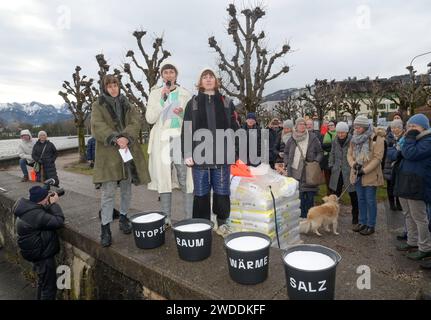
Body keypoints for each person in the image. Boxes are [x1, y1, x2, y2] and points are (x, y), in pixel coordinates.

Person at [91, 74, 150, 247]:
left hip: (127, 152)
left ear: (119, 86)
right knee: (108, 192)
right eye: (109, 85)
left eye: (115, 84)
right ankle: (105, 228)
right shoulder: (97, 105)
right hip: (108, 153)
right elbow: (97, 126)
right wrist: (116, 138)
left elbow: (136, 121)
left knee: (126, 189)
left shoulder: (128, 104)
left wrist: (125, 137)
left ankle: (124, 217)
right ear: (104, 88)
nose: (113, 88)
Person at [181, 68, 238, 237]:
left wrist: (235, 150)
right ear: (200, 81)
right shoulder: (193, 103)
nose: (208, 79)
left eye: (211, 76)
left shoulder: (227, 102)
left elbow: (235, 127)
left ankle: (222, 223)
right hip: (200, 156)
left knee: (222, 192)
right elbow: (186, 129)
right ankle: (202, 225)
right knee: (201, 193)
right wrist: (187, 153)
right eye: (204, 77)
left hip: (222, 155)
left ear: (215, 80)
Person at [146, 61, 194, 224]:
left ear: (176, 75)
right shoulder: (155, 93)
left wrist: (181, 114)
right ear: (162, 75)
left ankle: (189, 218)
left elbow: (191, 121)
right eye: (165, 72)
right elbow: (150, 118)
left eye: (171, 72)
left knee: (185, 177)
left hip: (180, 138)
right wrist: (161, 100)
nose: (168, 75)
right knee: (164, 178)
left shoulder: (185, 94)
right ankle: (166, 218)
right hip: (162, 140)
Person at [13, 186, 65, 300]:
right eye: (47, 198)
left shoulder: (27, 209)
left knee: (43, 284)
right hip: (43, 256)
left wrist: (47, 202)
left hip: (35, 253)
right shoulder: (35, 215)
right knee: (49, 289)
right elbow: (59, 221)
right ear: (41, 200)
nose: (48, 199)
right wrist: (53, 204)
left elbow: (40, 213)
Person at [393, 114, 431, 261]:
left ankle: (425, 247)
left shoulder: (427, 141)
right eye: (409, 126)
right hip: (406, 183)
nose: (410, 129)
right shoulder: (415, 140)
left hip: (417, 185)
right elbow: (396, 154)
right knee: (408, 215)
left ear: (424, 127)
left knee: (420, 218)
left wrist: (408, 138)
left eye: (414, 126)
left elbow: (409, 153)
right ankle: (412, 241)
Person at [348, 116, 386, 236]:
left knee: (370, 200)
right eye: (355, 126)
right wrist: (354, 165)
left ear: (365, 127)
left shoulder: (376, 137)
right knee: (361, 199)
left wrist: (364, 170)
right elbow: (349, 154)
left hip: (370, 174)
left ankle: (371, 225)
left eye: (358, 127)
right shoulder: (354, 137)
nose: (356, 129)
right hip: (357, 173)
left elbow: (378, 158)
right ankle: (362, 222)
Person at [284, 118, 323, 219]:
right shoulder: (292, 138)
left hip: (309, 170)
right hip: (295, 170)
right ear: (296, 126)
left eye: (304, 124)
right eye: (300, 124)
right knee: (299, 195)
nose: (302, 126)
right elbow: (286, 152)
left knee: (309, 195)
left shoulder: (312, 137)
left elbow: (320, 152)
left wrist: (315, 162)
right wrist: (287, 162)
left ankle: (309, 216)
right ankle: (301, 216)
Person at [328, 122, 359, 228]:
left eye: (343, 132)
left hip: (349, 171)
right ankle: (332, 216)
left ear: (347, 132)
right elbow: (332, 153)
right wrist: (331, 165)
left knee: (353, 195)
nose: (340, 134)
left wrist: (354, 167)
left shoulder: (352, 140)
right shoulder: (334, 141)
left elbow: (355, 154)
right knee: (335, 195)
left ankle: (356, 217)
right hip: (337, 171)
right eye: (339, 132)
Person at [384, 120, 404, 211]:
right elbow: (388, 151)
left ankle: (399, 203)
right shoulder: (388, 137)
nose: (395, 129)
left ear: (401, 128)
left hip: (399, 165)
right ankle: (391, 203)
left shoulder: (404, 137)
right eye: (393, 128)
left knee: (399, 184)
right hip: (389, 165)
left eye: (397, 127)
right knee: (390, 185)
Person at [322, 121, 337, 195]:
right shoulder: (326, 134)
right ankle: (329, 192)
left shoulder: (338, 133)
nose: (330, 126)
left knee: (335, 177)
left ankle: (335, 193)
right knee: (328, 176)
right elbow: (324, 146)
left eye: (332, 125)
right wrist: (333, 146)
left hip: (336, 158)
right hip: (327, 158)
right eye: (329, 125)